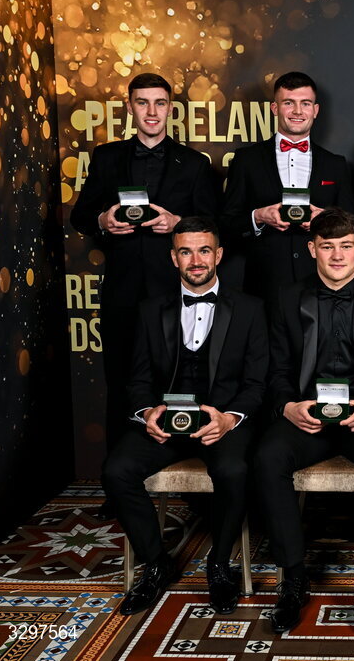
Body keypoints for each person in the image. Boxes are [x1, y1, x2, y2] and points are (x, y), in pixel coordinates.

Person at [253, 208, 354, 634]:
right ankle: (294, 577)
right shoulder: (287, 297)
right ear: (312, 250)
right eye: (327, 247)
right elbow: (277, 370)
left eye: (345, 246)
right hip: (308, 414)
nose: (337, 255)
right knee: (268, 456)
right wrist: (288, 406)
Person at [102, 217, 268, 616]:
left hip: (220, 422)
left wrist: (229, 418)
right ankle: (156, 563)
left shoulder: (250, 309)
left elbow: (256, 383)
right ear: (173, 258)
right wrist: (148, 412)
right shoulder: (150, 310)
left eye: (204, 250)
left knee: (234, 471)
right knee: (116, 470)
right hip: (166, 423)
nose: (196, 260)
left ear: (219, 255)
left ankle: (219, 565)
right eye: (186, 252)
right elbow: (138, 379)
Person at [70, 72, 220, 504]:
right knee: (121, 383)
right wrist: (103, 220)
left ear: (170, 108)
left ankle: (192, 485)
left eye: (159, 103)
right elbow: (81, 216)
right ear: (130, 107)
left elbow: (213, 224)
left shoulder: (194, 163)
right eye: (143, 103)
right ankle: (118, 489)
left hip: (177, 294)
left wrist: (178, 223)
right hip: (122, 294)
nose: (152, 111)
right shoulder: (106, 157)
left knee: (183, 378)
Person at [222, 71, 354, 306]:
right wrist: (258, 216)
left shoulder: (335, 164)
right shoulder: (246, 160)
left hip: (322, 282)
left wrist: (325, 219)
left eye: (305, 103)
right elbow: (226, 223)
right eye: (288, 103)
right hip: (265, 284)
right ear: (275, 108)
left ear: (315, 110)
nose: (297, 111)